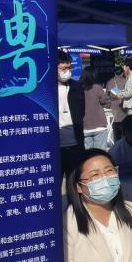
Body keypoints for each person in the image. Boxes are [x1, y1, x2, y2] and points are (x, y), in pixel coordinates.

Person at [57, 50, 85, 182]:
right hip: (54, 146)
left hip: (75, 143)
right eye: (63, 68)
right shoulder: (46, 90)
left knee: (73, 182)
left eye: (69, 68)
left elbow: (81, 112)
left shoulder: (76, 87)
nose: (67, 71)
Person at [80, 67, 112, 151]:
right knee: (100, 153)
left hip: (84, 126)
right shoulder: (97, 88)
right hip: (99, 125)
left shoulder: (79, 88)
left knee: (88, 155)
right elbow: (107, 103)